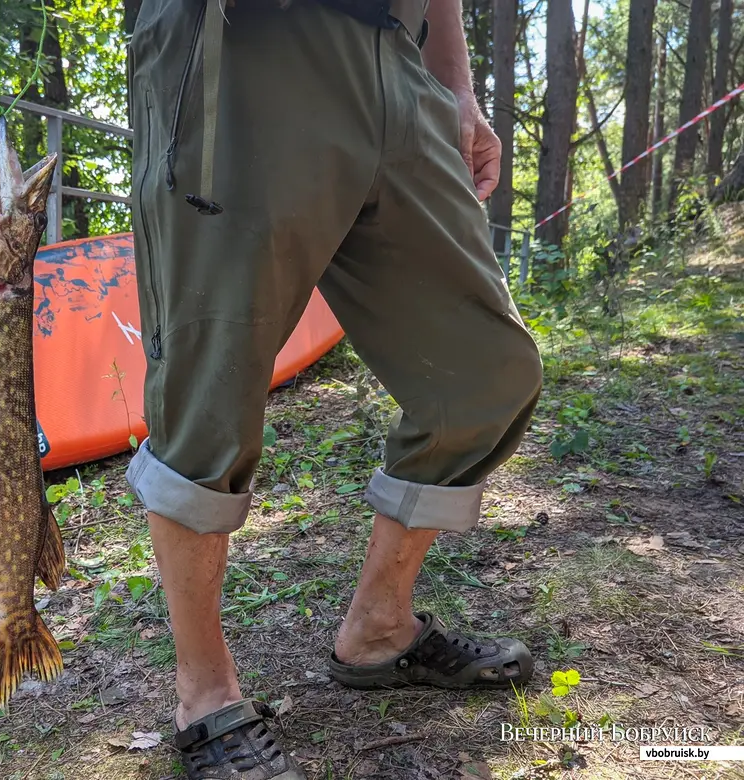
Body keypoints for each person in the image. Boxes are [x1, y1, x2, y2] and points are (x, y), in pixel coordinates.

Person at [124, 0, 544, 776]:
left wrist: (455, 83)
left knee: (488, 370)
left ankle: (380, 628)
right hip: (245, 44)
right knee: (207, 392)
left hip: (397, 57)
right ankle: (205, 696)